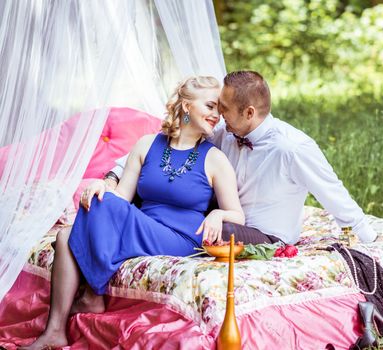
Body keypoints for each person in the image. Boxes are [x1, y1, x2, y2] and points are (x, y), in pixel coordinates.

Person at [22, 76, 245, 349]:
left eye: (218, 110)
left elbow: (237, 215)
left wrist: (218, 215)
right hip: (143, 227)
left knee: (94, 214)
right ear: (186, 106)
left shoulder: (215, 158)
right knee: (66, 236)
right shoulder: (146, 145)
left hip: (182, 239)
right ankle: (55, 330)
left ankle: (93, 294)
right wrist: (102, 185)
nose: (216, 116)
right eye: (210, 106)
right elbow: (122, 199)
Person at [88, 70, 377, 245]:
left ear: (249, 113)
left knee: (208, 231)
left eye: (224, 108)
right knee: (152, 194)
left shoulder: (293, 148)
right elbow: (159, 150)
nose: (217, 115)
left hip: (263, 235)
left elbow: (332, 192)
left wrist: (368, 237)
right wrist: (112, 178)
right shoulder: (224, 130)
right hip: (218, 220)